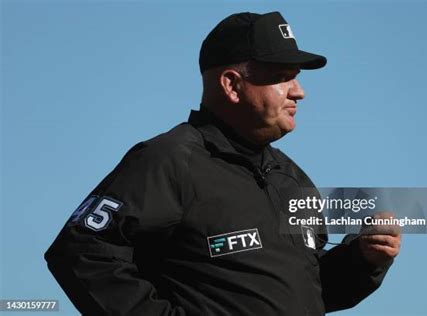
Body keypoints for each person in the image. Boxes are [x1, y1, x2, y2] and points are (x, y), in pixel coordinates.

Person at [45, 11, 401, 316]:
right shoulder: (171, 159)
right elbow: (80, 249)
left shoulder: (293, 179)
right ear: (232, 85)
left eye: (297, 77)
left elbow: (303, 292)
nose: (298, 91)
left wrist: (362, 260)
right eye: (281, 76)